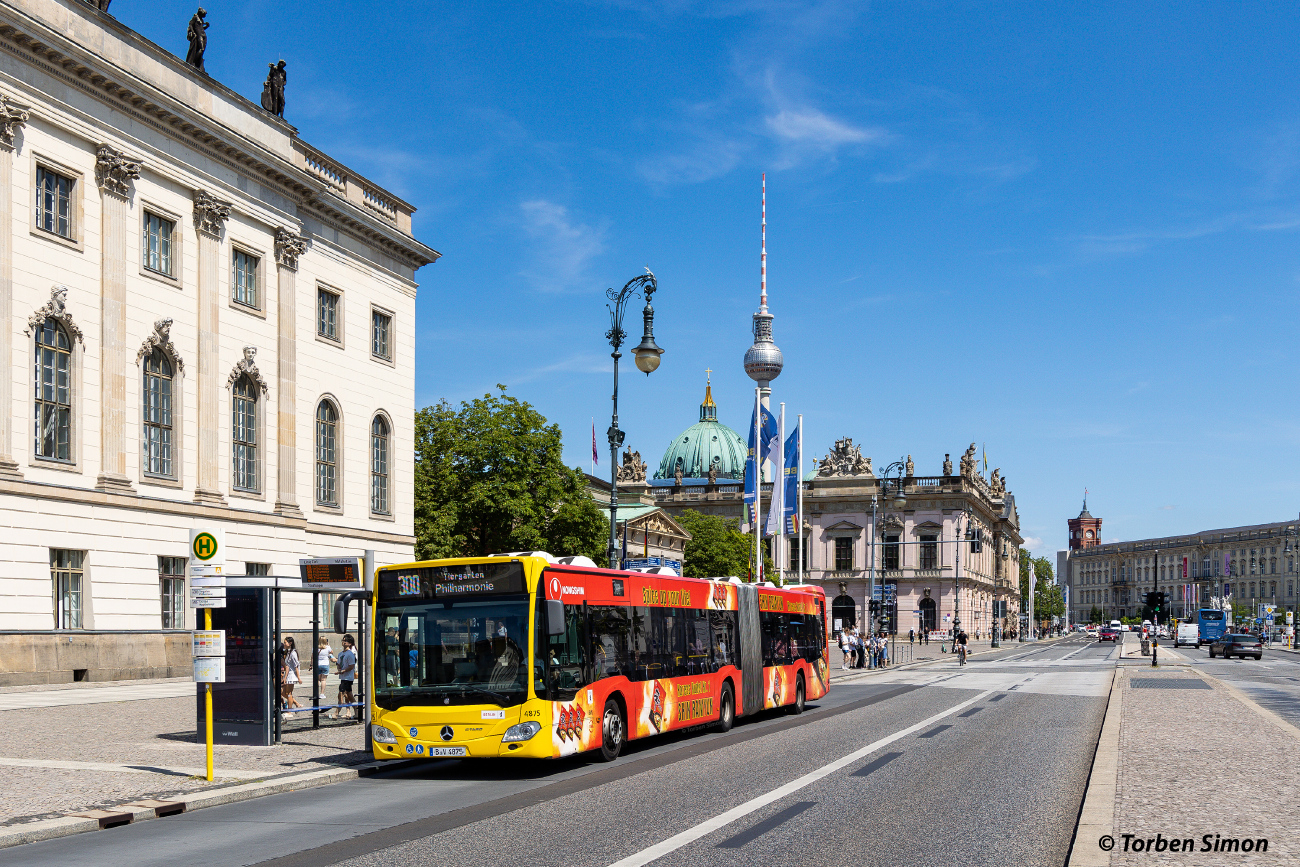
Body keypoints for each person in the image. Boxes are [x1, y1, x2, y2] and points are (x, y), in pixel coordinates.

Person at [333, 634, 356, 719]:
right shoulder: (340, 654)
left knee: (341, 693)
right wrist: (339, 669)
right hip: (343, 677)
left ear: (349, 643)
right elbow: (339, 663)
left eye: (345, 641)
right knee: (349, 695)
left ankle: (336, 712)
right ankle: (356, 711)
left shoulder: (350, 654)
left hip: (348, 677)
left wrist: (343, 671)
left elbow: (351, 666)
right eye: (343, 640)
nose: (343, 642)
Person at [281, 636, 301, 718]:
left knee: (289, 694)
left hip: (292, 676)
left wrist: (298, 677)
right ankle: (297, 704)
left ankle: (289, 711)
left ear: (290, 643)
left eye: (285, 642)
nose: (284, 644)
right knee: (283, 692)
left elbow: (297, 665)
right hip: (288, 675)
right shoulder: (288, 652)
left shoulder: (293, 653)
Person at [316, 636, 334, 706]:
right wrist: (328, 645)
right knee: (323, 680)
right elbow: (331, 652)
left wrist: (311, 664)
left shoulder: (316, 647)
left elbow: (312, 656)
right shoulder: (328, 647)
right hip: (325, 664)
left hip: (318, 664)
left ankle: (316, 693)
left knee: (318, 679)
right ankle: (322, 693)